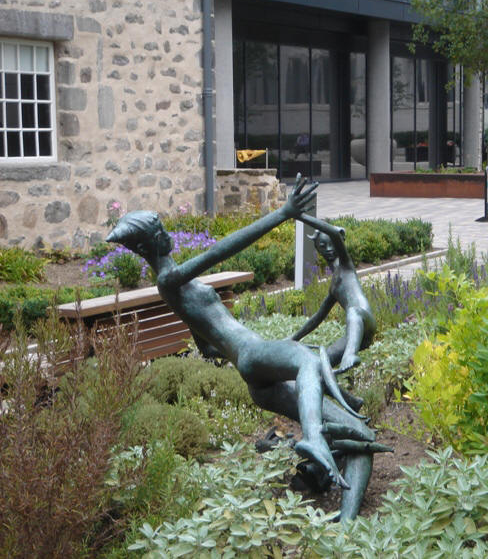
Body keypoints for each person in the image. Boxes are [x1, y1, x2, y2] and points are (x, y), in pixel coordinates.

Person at [105, 179, 361, 492]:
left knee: (353, 427)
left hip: (253, 368)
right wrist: (282, 213)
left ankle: (329, 482)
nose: (166, 235)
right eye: (159, 234)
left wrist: (253, 350)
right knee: (306, 359)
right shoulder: (169, 279)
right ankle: (313, 439)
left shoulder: (176, 287)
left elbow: (205, 346)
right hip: (250, 355)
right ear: (145, 248)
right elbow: (220, 251)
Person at [290, 212, 376, 374]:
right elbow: (317, 318)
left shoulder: (346, 266)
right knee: (321, 362)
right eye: (323, 246)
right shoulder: (334, 288)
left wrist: (301, 216)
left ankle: (350, 354)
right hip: (356, 334)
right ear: (317, 248)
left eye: (332, 245)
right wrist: (292, 339)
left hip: (364, 319)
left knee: (353, 311)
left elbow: (335, 235)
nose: (328, 249)